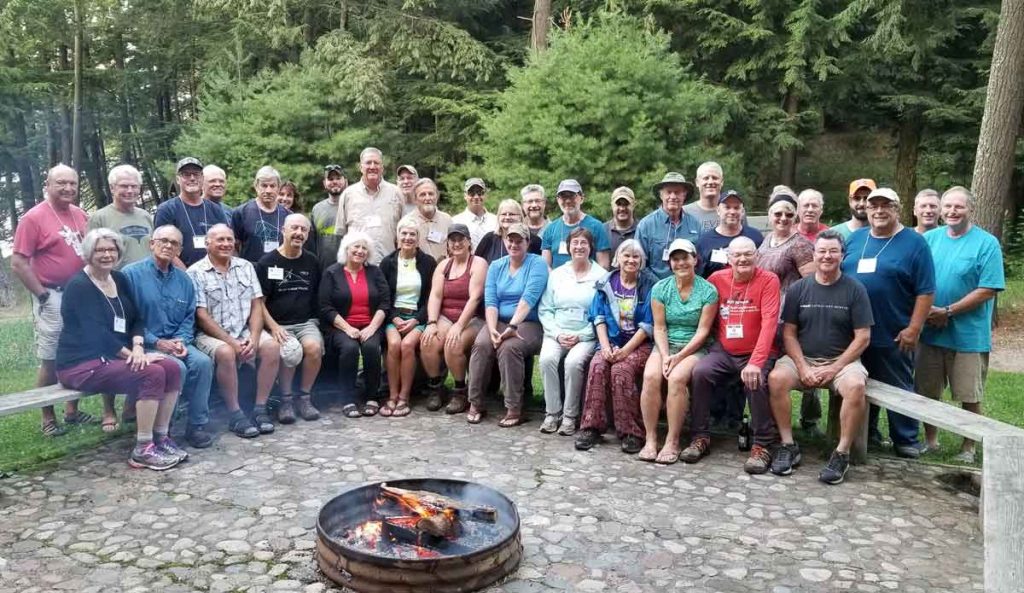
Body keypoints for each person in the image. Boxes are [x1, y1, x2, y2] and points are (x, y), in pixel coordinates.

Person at [56, 229, 184, 470]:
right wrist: (136, 356)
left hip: (113, 357)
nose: (107, 254)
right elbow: (97, 336)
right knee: (152, 372)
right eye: (100, 250)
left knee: (172, 367)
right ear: (88, 253)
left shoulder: (119, 279)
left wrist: (137, 346)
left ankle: (161, 437)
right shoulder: (79, 286)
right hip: (81, 364)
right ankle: (143, 449)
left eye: (111, 249)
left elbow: (136, 318)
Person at [767, 230, 873, 484]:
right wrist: (802, 366)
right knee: (776, 378)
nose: (827, 256)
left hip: (842, 361)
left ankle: (842, 453)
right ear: (813, 255)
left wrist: (835, 368)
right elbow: (789, 334)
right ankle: (788, 445)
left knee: (856, 386)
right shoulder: (799, 289)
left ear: (842, 255)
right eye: (822, 251)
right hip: (803, 358)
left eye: (833, 251)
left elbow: (863, 337)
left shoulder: (855, 290)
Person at [842, 187, 935, 458]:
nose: (879, 211)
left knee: (898, 385)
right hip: (854, 332)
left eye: (886, 205)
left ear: (897, 209)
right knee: (859, 384)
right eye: (874, 206)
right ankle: (866, 433)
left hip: (893, 330)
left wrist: (914, 328)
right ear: (867, 210)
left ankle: (905, 438)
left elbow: (926, 290)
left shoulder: (914, 242)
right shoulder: (857, 239)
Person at [11, 164, 101, 436]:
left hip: (81, 297)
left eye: (72, 183)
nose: (68, 188)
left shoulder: (80, 215)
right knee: (50, 358)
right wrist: (42, 295)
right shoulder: (33, 218)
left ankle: (72, 411)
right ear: (47, 185)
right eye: (61, 183)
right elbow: (18, 262)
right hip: (53, 295)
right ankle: (48, 418)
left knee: (78, 354)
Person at [917, 187, 1004, 463]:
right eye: (948, 207)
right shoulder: (929, 239)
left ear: (970, 210)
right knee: (927, 391)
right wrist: (927, 311)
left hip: (968, 334)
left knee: (969, 393)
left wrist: (948, 311)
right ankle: (930, 441)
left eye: (959, 207)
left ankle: (968, 447)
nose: (952, 212)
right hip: (930, 331)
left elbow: (988, 288)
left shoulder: (986, 243)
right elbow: (915, 277)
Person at [685, 237, 781, 474]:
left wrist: (756, 362)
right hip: (725, 350)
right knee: (701, 372)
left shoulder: (769, 280)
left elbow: (770, 323)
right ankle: (700, 436)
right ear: (728, 258)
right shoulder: (717, 279)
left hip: (757, 351)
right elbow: (703, 309)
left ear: (757, 256)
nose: (742, 259)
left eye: (748, 254)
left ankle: (762, 444)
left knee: (754, 380)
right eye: (737, 255)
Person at [123, 225, 215, 448]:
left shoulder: (185, 280)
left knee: (203, 362)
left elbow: (188, 316)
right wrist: (157, 342)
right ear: (151, 244)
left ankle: (196, 425)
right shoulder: (130, 275)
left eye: (174, 243)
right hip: (143, 343)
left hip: (176, 341)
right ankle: (163, 429)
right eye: (163, 240)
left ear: (180, 249)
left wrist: (181, 341)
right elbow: (128, 318)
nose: (168, 246)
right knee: (178, 368)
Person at [189, 224, 281, 439]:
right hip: (211, 335)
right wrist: (231, 342)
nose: (226, 244)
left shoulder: (245, 266)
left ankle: (260, 408)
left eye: (229, 240)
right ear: (207, 243)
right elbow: (201, 315)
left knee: (272, 347)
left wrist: (255, 337)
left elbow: (257, 304)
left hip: (244, 330)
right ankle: (235, 414)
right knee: (226, 353)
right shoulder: (195, 272)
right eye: (220, 240)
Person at [635, 239, 718, 464]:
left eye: (685, 258)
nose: (681, 263)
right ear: (670, 263)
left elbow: (703, 331)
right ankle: (651, 439)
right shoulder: (660, 288)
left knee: (677, 378)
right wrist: (664, 355)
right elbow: (660, 327)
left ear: (695, 259)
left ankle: (673, 440)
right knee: (651, 376)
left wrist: (679, 357)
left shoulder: (708, 290)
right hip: (666, 345)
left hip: (695, 347)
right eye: (675, 259)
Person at [575, 239, 658, 453]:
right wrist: (605, 347)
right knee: (598, 366)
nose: (631, 260)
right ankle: (591, 427)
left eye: (636, 256)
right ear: (617, 258)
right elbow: (598, 317)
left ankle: (631, 432)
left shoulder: (649, 285)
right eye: (626, 255)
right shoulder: (605, 283)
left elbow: (648, 325)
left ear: (642, 261)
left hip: (639, 344)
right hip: (610, 341)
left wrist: (626, 351)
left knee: (622, 370)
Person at [467, 223, 548, 426]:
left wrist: (512, 327)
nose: (514, 244)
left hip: (528, 322)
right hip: (498, 321)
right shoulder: (496, 265)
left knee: (510, 348)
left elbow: (529, 299)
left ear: (528, 243)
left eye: (519, 240)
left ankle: (514, 408)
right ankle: (476, 403)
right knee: (482, 344)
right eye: (510, 240)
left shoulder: (537, 264)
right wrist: (493, 328)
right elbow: (491, 300)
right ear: (504, 241)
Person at [758, 192, 818, 435]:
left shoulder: (800, 244)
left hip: (790, 321)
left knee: (779, 374)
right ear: (770, 215)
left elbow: (814, 285)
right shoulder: (766, 240)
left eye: (788, 214)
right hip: (767, 318)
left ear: (795, 217)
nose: (783, 218)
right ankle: (767, 424)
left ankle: (796, 425)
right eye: (778, 213)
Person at [538, 228, 607, 436]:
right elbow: (545, 308)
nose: (579, 247)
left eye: (583, 243)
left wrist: (582, 335)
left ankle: (570, 416)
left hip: (585, 333)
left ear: (590, 247)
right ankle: (552, 413)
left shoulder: (601, 276)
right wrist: (557, 333)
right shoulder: (558, 274)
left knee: (573, 363)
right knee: (547, 359)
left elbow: (601, 313)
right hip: (557, 330)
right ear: (568, 247)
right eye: (575, 243)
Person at [255, 214, 323, 424]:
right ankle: (285, 400)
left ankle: (304, 397)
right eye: (294, 228)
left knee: (313, 348)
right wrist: (273, 327)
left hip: (305, 322)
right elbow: (259, 302)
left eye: (303, 230)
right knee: (290, 350)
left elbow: (316, 295)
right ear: (283, 230)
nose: (299, 233)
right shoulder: (268, 262)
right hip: (277, 324)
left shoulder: (312, 261)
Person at [320, 231, 390, 418]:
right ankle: (347, 398)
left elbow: (385, 302)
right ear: (346, 249)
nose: (360, 251)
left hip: (370, 325)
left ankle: (372, 396)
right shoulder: (332, 272)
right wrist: (348, 328)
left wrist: (372, 327)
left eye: (364, 248)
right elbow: (325, 307)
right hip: (341, 326)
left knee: (371, 347)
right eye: (356, 247)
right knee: (349, 348)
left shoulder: (374, 272)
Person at [420, 224, 487, 413]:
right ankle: (436, 388)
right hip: (446, 315)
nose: (457, 243)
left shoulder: (478, 263)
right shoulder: (443, 265)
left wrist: (459, 326)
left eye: (461, 240)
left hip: (473, 317)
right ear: (448, 244)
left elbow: (475, 298)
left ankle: (460, 392)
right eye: (453, 240)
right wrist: (432, 322)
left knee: (453, 343)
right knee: (428, 341)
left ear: (469, 242)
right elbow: (435, 295)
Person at [380, 220, 437, 417]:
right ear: (397, 237)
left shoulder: (428, 262)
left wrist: (416, 320)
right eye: (404, 234)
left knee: (407, 345)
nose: (408, 238)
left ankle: (404, 397)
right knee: (394, 344)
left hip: (418, 317)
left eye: (412, 234)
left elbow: (432, 296)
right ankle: (392, 396)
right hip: (393, 316)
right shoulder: (387, 262)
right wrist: (394, 318)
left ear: (418, 239)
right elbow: (383, 296)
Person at [154, 157, 228, 268]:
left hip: (215, 274)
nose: (192, 178)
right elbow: (163, 247)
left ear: (202, 179)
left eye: (196, 174)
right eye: (186, 174)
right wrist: (188, 275)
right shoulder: (166, 210)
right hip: (181, 276)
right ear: (178, 179)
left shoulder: (216, 210)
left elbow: (226, 242)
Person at [334, 147, 404, 264]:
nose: (372, 167)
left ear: (382, 167)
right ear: (360, 167)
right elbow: (341, 234)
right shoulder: (348, 194)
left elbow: (403, 232)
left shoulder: (396, 193)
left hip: (389, 265)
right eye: (368, 163)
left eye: (376, 163)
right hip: (357, 266)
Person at [634, 172, 702, 279]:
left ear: (684, 195)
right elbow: (640, 264)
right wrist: (661, 287)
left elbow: (700, 261)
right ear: (661, 195)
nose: (673, 196)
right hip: (655, 289)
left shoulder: (696, 225)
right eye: (668, 192)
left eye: (677, 192)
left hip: (689, 289)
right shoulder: (646, 225)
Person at [88, 164, 153, 267]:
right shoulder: (99, 218)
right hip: (117, 280)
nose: (130, 191)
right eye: (124, 186)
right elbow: (91, 257)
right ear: (112, 188)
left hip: (148, 279)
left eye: (134, 186)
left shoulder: (145, 216)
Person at [541, 179, 611, 269]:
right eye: (563, 197)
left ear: (581, 198)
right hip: (558, 281)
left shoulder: (596, 226)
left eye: (572, 196)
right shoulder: (550, 229)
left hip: (588, 282)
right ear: (558, 200)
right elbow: (545, 266)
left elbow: (603, 266)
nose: (568, 201)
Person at [695, 189, 763, 278]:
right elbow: (699, 277)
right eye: (727, 207)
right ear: (718, 210)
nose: (732, 212)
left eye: (736, 208)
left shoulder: (755, 237)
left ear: (742, 212)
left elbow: (763, 269)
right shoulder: (704, 242)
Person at [231, 166, 292, 263]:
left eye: (272, 186)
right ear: (256, 186)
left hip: (280, 272)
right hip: (250, 272)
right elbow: (233, 246)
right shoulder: (241, 213)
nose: (268, 191)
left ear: (279, 188)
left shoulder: (289, 216)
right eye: (264, 186)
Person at [400, 178, 453, 262]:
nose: (427, 198)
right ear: (415, 199)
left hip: (442, 272)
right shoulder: (406, 222)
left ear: (437, 196)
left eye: (431, 194)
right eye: (422, 194)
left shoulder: (447, 220)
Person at [475, 199, 541, 261]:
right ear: (498, 217)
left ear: (520, 217)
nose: (507, 217)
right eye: (503, 214)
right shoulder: (489, 239)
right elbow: (476, 263)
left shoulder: (534, 241)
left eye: (511, 214)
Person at [311, 164, 348, 269]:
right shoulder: (316, 209)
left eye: (338, 178)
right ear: (324, 183)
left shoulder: (353, 207)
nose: (334, 182)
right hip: (323, 270)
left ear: (345, 181)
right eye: (330, 179)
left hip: (348, 269)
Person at [451, 177, 497, 250]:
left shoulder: (496, 221)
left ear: (485, 195)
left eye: (480, 193)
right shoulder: (455, 222)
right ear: (465, 196)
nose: (476, 197)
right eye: (471, 193)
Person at [683, 161, 725, 233]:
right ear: (697, 182)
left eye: (715, 178)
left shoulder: (733, 211)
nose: (710, 182)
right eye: (706, 178)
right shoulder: (684, 213)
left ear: (722, 182)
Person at [604, 187, 637, 257]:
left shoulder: (642, 230)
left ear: (634, 205)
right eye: (618, 204)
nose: (622, 208)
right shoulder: (602, 231)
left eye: (626, 204)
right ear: (612, 205)